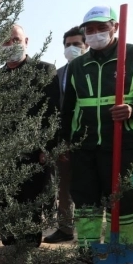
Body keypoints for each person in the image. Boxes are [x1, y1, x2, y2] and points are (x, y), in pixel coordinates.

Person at [60, 6, 133, 253]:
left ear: (115, 26)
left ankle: (123, 250)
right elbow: (68, 107)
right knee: (85, 199)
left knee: (124, 198)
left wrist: (132, 108)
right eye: (90, 30)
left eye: (102, 27)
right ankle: (87, 250)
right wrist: (64, 142)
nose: (95, 33)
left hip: (124, 142)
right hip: (85, 145)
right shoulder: (78, 65)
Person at [0, 24, 60, 247]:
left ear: (26, 41)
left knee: (30, 204)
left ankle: (27, 253)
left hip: (34, 154)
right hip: (3, 156)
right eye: (5, 41)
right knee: (4, 202)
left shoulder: (44, 71)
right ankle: (8, 248)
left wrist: (46, 147)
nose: (11, 45)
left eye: (15, 39)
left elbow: (53, 112)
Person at [43, 26, 87, 244]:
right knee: (64, 187)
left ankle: (90, 234)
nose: (72, 48)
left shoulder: (93, 70)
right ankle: (65, 228)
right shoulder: (58, 74)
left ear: (86, 45)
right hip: (64, 140)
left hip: (90, 139)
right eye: (68, 45)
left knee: (90, 189)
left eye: (77, 44)